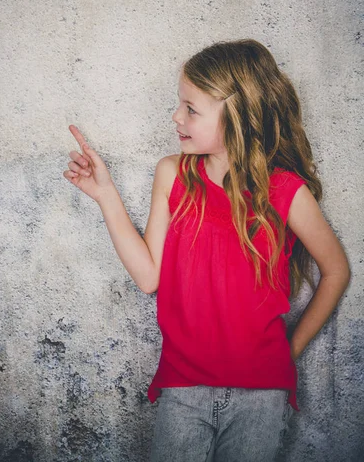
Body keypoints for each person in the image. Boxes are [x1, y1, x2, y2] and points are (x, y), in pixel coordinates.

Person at [63, 39, 350, 462]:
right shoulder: (173, 174)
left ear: (237, 116)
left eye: (191, 109)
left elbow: (336, 271)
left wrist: (289, 352)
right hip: (184, 389)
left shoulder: (286, 191)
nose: (176, 117)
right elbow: (148, 277)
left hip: (262, 395)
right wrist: (106, 195)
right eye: (180, 105)